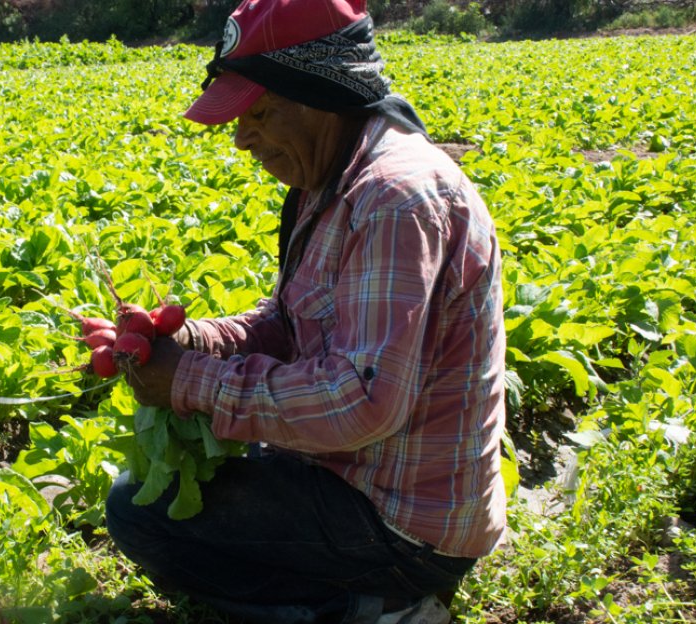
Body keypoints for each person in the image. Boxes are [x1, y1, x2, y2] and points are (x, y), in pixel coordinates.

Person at [103, 1, 509, 622]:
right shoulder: (334, 177)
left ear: (320, 96)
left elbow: (361, 400)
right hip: (355, 476)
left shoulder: (394, 199)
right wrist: (191, 343)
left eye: (259, 113)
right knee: (168, 500)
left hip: (402, 525)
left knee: (139, 513)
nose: (241, 137)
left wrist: (188, 382)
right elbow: (291, 324)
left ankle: (378, 608)